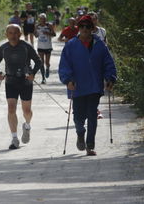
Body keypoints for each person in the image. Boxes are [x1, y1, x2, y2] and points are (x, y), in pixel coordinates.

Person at [58, 15, 116, 156]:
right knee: (78, 116)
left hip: (95, 86)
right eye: (82, 26)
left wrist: (110, 78)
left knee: (92, 115)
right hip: (77, 86)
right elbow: (64, 65)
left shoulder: (100, 45)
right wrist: (68, 80)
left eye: (87, 26)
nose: (84, 29)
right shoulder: (71, 45)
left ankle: (90, 145)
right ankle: (80, 132)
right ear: (79, 28)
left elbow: (108, 63)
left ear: (92, 29)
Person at [0, 24, 42, 149]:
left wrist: (32, 73)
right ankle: (14, 138)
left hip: (25, 82)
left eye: (16, 33)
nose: (13, 35)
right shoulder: (4, 48)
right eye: (10, 33)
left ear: (20, 34)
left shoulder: (26, 46)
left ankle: (27, 125)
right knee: (11, 108)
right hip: (11, 81)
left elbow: (38, 61)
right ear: (6, 34)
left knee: (27, 111)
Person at [34, 13, 56, 84]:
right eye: (41, 18)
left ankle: (47, 68)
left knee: (47, 62)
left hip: (48, 46)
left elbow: (54, 34)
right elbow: (36, 35)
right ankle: (43, 78)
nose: (42, 20)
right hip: (40, 46)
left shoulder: (49, 25)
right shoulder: (37, 26)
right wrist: (36, 32)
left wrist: (47, 33)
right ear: (39, 19)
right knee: (41, 62)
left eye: (43, 19)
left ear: (45, 19)